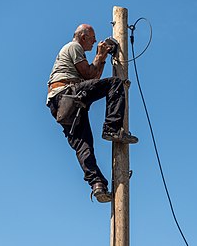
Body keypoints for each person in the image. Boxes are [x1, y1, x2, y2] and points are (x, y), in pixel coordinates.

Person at [46, 24, 138, 203]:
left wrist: (102, 57)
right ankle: (112, 128)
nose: (95, 41)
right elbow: (89, 75)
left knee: (83, 145)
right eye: (92, 37)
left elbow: (93, 77)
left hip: (62, 106)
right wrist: (100, 55)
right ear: (82, 37)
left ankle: (98, 185)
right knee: (115, 83)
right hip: (67, 95)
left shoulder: (75, 50)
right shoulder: (74, 47)